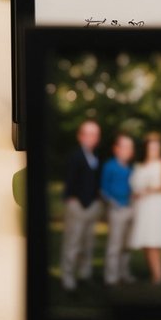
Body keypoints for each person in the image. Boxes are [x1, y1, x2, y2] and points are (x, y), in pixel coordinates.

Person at [60, 119, 102, 291]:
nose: (92, 137)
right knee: (73, 242)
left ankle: (84, 274)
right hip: (76, 204)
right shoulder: (75, 156)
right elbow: (69, 180)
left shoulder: (96, 157)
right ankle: (68, 277)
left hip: (92, 205)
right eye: (88, 134)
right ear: (81, 136)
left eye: (95, 134)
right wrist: (70, 198)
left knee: (88, 242)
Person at [130, 133, 161, 283]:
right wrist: (137, 193)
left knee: (154, 242)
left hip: (156, 207)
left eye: (157, 148)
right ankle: (153, 273)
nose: (154, 150)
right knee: (146, 242)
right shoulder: (140, 165)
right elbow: (135, 185)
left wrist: (146, 191)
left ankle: (158, 276)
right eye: (151, 147)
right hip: (143, 207)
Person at [100, 133, 136, 285]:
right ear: (116, 149)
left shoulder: (131, 168)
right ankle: (111, 277)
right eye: (124, 146)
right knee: (115, 245)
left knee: (127, 245)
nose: (128, 150)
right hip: (116, 210)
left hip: (131, 209)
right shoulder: (109, 166)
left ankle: (124, 273)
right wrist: (115, 204)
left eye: (130, 147)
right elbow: (103, 189)